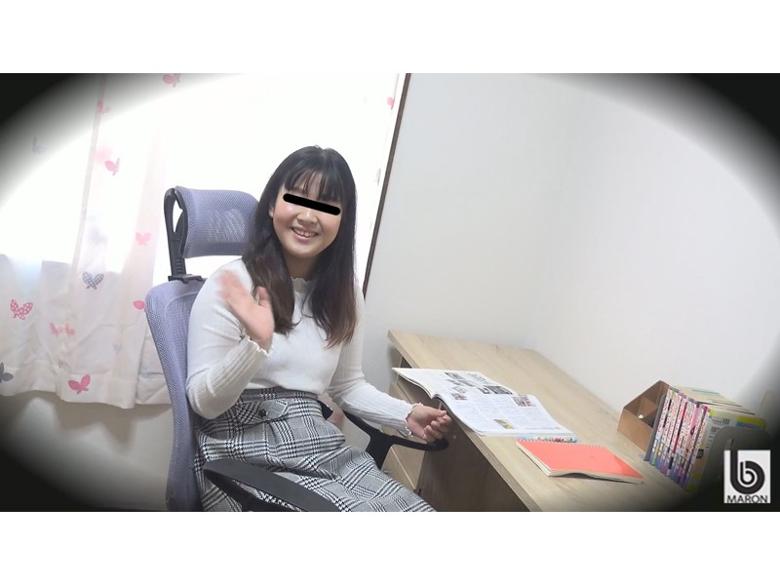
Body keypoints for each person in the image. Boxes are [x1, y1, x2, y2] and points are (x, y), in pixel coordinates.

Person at [186, 145, 452, 511]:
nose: (309, 216)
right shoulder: (232, 283)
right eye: (296, 198)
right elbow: (203, 404)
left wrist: (404, 415)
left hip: (318, 442)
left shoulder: (344, 292)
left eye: (326, 206)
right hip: (242, 451)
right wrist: (255, 345)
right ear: (272, 205)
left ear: (343, 221)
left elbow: (347, 385)